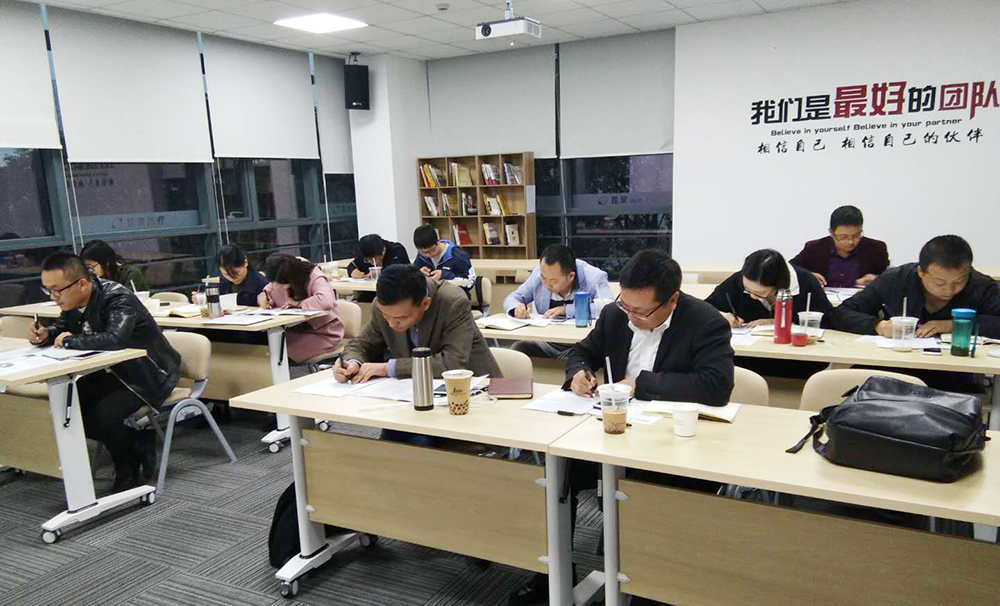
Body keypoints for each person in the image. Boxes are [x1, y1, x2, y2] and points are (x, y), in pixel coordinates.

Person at [509, 249, 734, 605]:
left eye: (641, 312)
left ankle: (651, 584)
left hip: (667, 444)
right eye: (625, 305)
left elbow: (715, 386)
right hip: (611, 431)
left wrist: (640, 384)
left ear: (672, 300)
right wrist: (578, 374)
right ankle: (554, 576)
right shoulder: (615, 314)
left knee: (655, 502)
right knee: (554, 475)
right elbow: (582, 352)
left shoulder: (705, 322)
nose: (630, 317)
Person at [28, 252, 181, 492]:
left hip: (148, 374)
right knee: (67, 407)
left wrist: (68, 341)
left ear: (81, 284)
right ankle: (137, 441)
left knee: (103, 416)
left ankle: (126, 465)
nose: (53, 297)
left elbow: (115, 339)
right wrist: (46, 334)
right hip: (112, 372)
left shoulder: (117, 298)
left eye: (57, 290)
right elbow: (63, 327)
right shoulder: (72, 302)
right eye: (47, 290)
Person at [334, 264, 501, 384]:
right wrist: (352, 362)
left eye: (400, 318)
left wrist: (387, 368)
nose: (391, 324)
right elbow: (362, 344)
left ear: (425, 303)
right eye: (386, 316)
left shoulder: (453, 302)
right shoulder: (383, 306)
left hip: (473, 390)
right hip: (413, 390)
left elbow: (452, 364)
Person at [832, 235, 1000, 339]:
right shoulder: (896, 279)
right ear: (921, 272)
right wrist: (879, 326)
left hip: (955, 373)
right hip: (892, 364)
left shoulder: (981, 285)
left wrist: (955, 325)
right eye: (939, 282)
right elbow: (841, 313)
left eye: (958, 282)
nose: (949, 290)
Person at [502, 244, 614, 358]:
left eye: (553, 281)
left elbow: (609, 308)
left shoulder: (593, 277)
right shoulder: (538, 275)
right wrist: (516, 309)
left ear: (570, 276)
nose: (546, 284)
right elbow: (512, 298)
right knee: (519, 349)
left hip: (582, 344)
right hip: (548, 342)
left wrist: (566, 310)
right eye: (543, 278)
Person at [706, 249, 833, 329]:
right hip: (750, 354)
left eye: (759, 293)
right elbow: (705, 308)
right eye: (747, 290)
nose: (752, 297)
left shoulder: (806, 282)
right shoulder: (739, 279)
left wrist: (778, 322)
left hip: (796, 356)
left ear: (779, 284)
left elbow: (826, 321)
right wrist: (721, 315)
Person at [259, 254, 343, 364]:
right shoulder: (280, 273)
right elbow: (268, 290)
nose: (278, 286)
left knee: (279, 352)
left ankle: (283, 373)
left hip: (324, 333)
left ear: (290, 277)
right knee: (268, 347)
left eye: (281, 284)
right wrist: (263, 298)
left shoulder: (313, 275)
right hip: (296, 330)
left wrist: (299, 303)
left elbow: (326, 300)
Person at [789, 205, 890, 288]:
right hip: (824, 302)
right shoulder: (814, 248)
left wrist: (877, 279)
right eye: (843, 237)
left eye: (856, 236)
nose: (850, 242)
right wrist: (808, 275)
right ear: (831, 232)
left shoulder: (876, 249)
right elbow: (789, 269)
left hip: (861, 303)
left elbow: (891, 279)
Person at [412, 224, 476, 292]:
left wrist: (444, 275)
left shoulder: (457, 255)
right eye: (423, 252)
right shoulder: (421, 256)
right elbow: (411, 278)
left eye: (431, 251)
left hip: (454, 296)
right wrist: (419, 274)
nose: (427, 255)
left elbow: (469, 283)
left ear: (438, 242)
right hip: (430, 296)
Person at [81, 239, 147, 292]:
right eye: (87, 268)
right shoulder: (95, 279)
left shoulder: (130, 273)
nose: (90, 271)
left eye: (92, 267)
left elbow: (125, 300)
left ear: (107, 262)